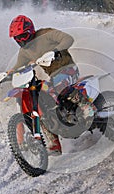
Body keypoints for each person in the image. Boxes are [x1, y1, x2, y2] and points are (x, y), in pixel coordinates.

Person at [8, 15, 79, 155]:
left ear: (30, 31)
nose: (21, 40)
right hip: (53, 77)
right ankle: (54, 143)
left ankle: (87, 110)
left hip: (68, 70)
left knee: (62, 89)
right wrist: (7, 74)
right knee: (42, 105)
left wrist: (56, 50)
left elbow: (68, 38)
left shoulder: (46, 34)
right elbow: (18, 66)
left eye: (23, 36)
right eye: (17, 38)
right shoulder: (24, 51)